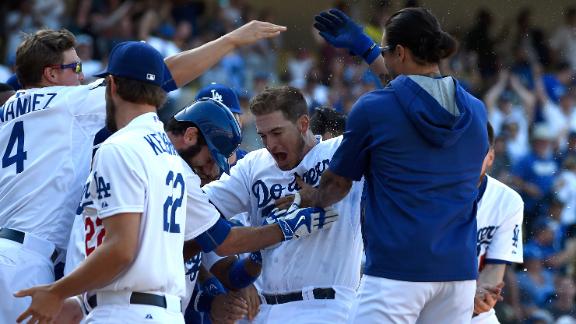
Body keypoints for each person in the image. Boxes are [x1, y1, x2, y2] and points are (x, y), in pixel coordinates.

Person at [0, 21, 286, 323]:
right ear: (51, 74)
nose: (83, 76)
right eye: (76, 67)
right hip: (30, 263)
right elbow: (159, 76)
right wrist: (229, 40)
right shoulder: (73, 104)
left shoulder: (7, 111)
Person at [304, 8, 489, 323]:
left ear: (401, 52)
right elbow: (413, 93)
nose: (383, 59)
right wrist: (366, 48)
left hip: (396, 273)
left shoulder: (373, 109)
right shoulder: (477, 110)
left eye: (386, 52)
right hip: (458, 274)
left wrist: (308, 197)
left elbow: (336, 186)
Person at [15, 40, 194, 324]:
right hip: (164, 311)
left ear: (111, 85)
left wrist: (56, 292)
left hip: (124, 310)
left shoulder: (119, 147)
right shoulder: (168, 152)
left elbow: (122, 249)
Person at [201, 86, 365, 324]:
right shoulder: (255, 165)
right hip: (263, 310)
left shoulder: (340, 150)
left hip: (326, 305)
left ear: (303, 124)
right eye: (263, 135)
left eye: (277, 132)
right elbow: (199, 209)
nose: (270, 143)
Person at [473, 123, 524, 323]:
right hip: (424, 299)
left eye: (479, 151)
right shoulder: (428, 193)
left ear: (491, 157)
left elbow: (495, 267)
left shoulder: (508, 201)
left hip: (473, 309)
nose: (470, 158)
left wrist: (483, 295)